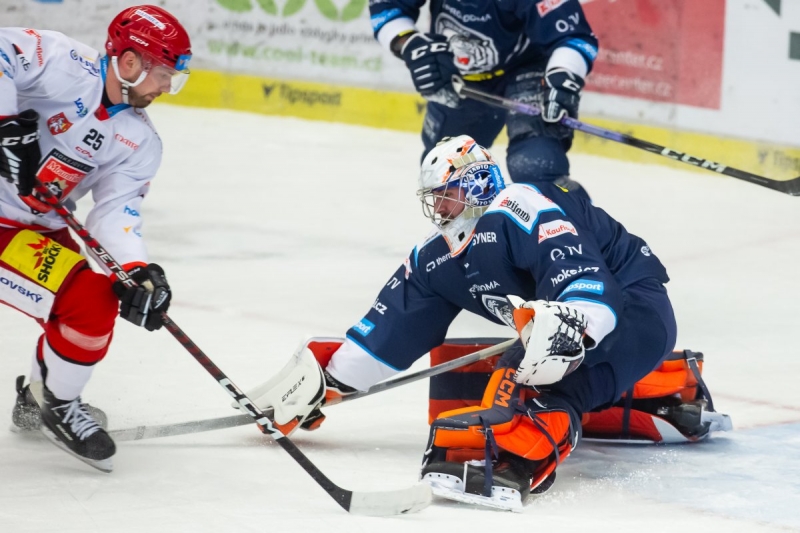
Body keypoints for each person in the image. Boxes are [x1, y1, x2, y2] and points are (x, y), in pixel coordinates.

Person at [251, 135, 684, 510]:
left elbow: (581, 278)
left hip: (633, 307)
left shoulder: (518, 205)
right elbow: (395, 326)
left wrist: (573, 324)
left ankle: (513, 460)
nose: (440, 207)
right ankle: (651, 388)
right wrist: (330, 381)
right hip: (586, 320)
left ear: (476, 184)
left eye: (447, 194)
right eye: (435, 198)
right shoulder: (435, 256)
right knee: (502, 365)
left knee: (526, 374)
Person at [0, 5, 191, 472]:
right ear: (130, 62)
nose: (166, 88)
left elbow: (115, 211)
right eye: (164, 75)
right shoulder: (60, 61)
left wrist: (136, 270)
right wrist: (4, 123)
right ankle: (58, 405)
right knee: (87, 303)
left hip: (33, 228)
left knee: (95, 301)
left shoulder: (141, 141)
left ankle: (44, 398)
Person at [369, 0, 598, 199]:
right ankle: (479, 235)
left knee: (536, 166)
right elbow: (387, 7)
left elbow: (573, 36)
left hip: (526, 68)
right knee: (446, 175)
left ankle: (579, 229)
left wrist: (563, 74)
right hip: (458, 75)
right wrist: (411, 44)